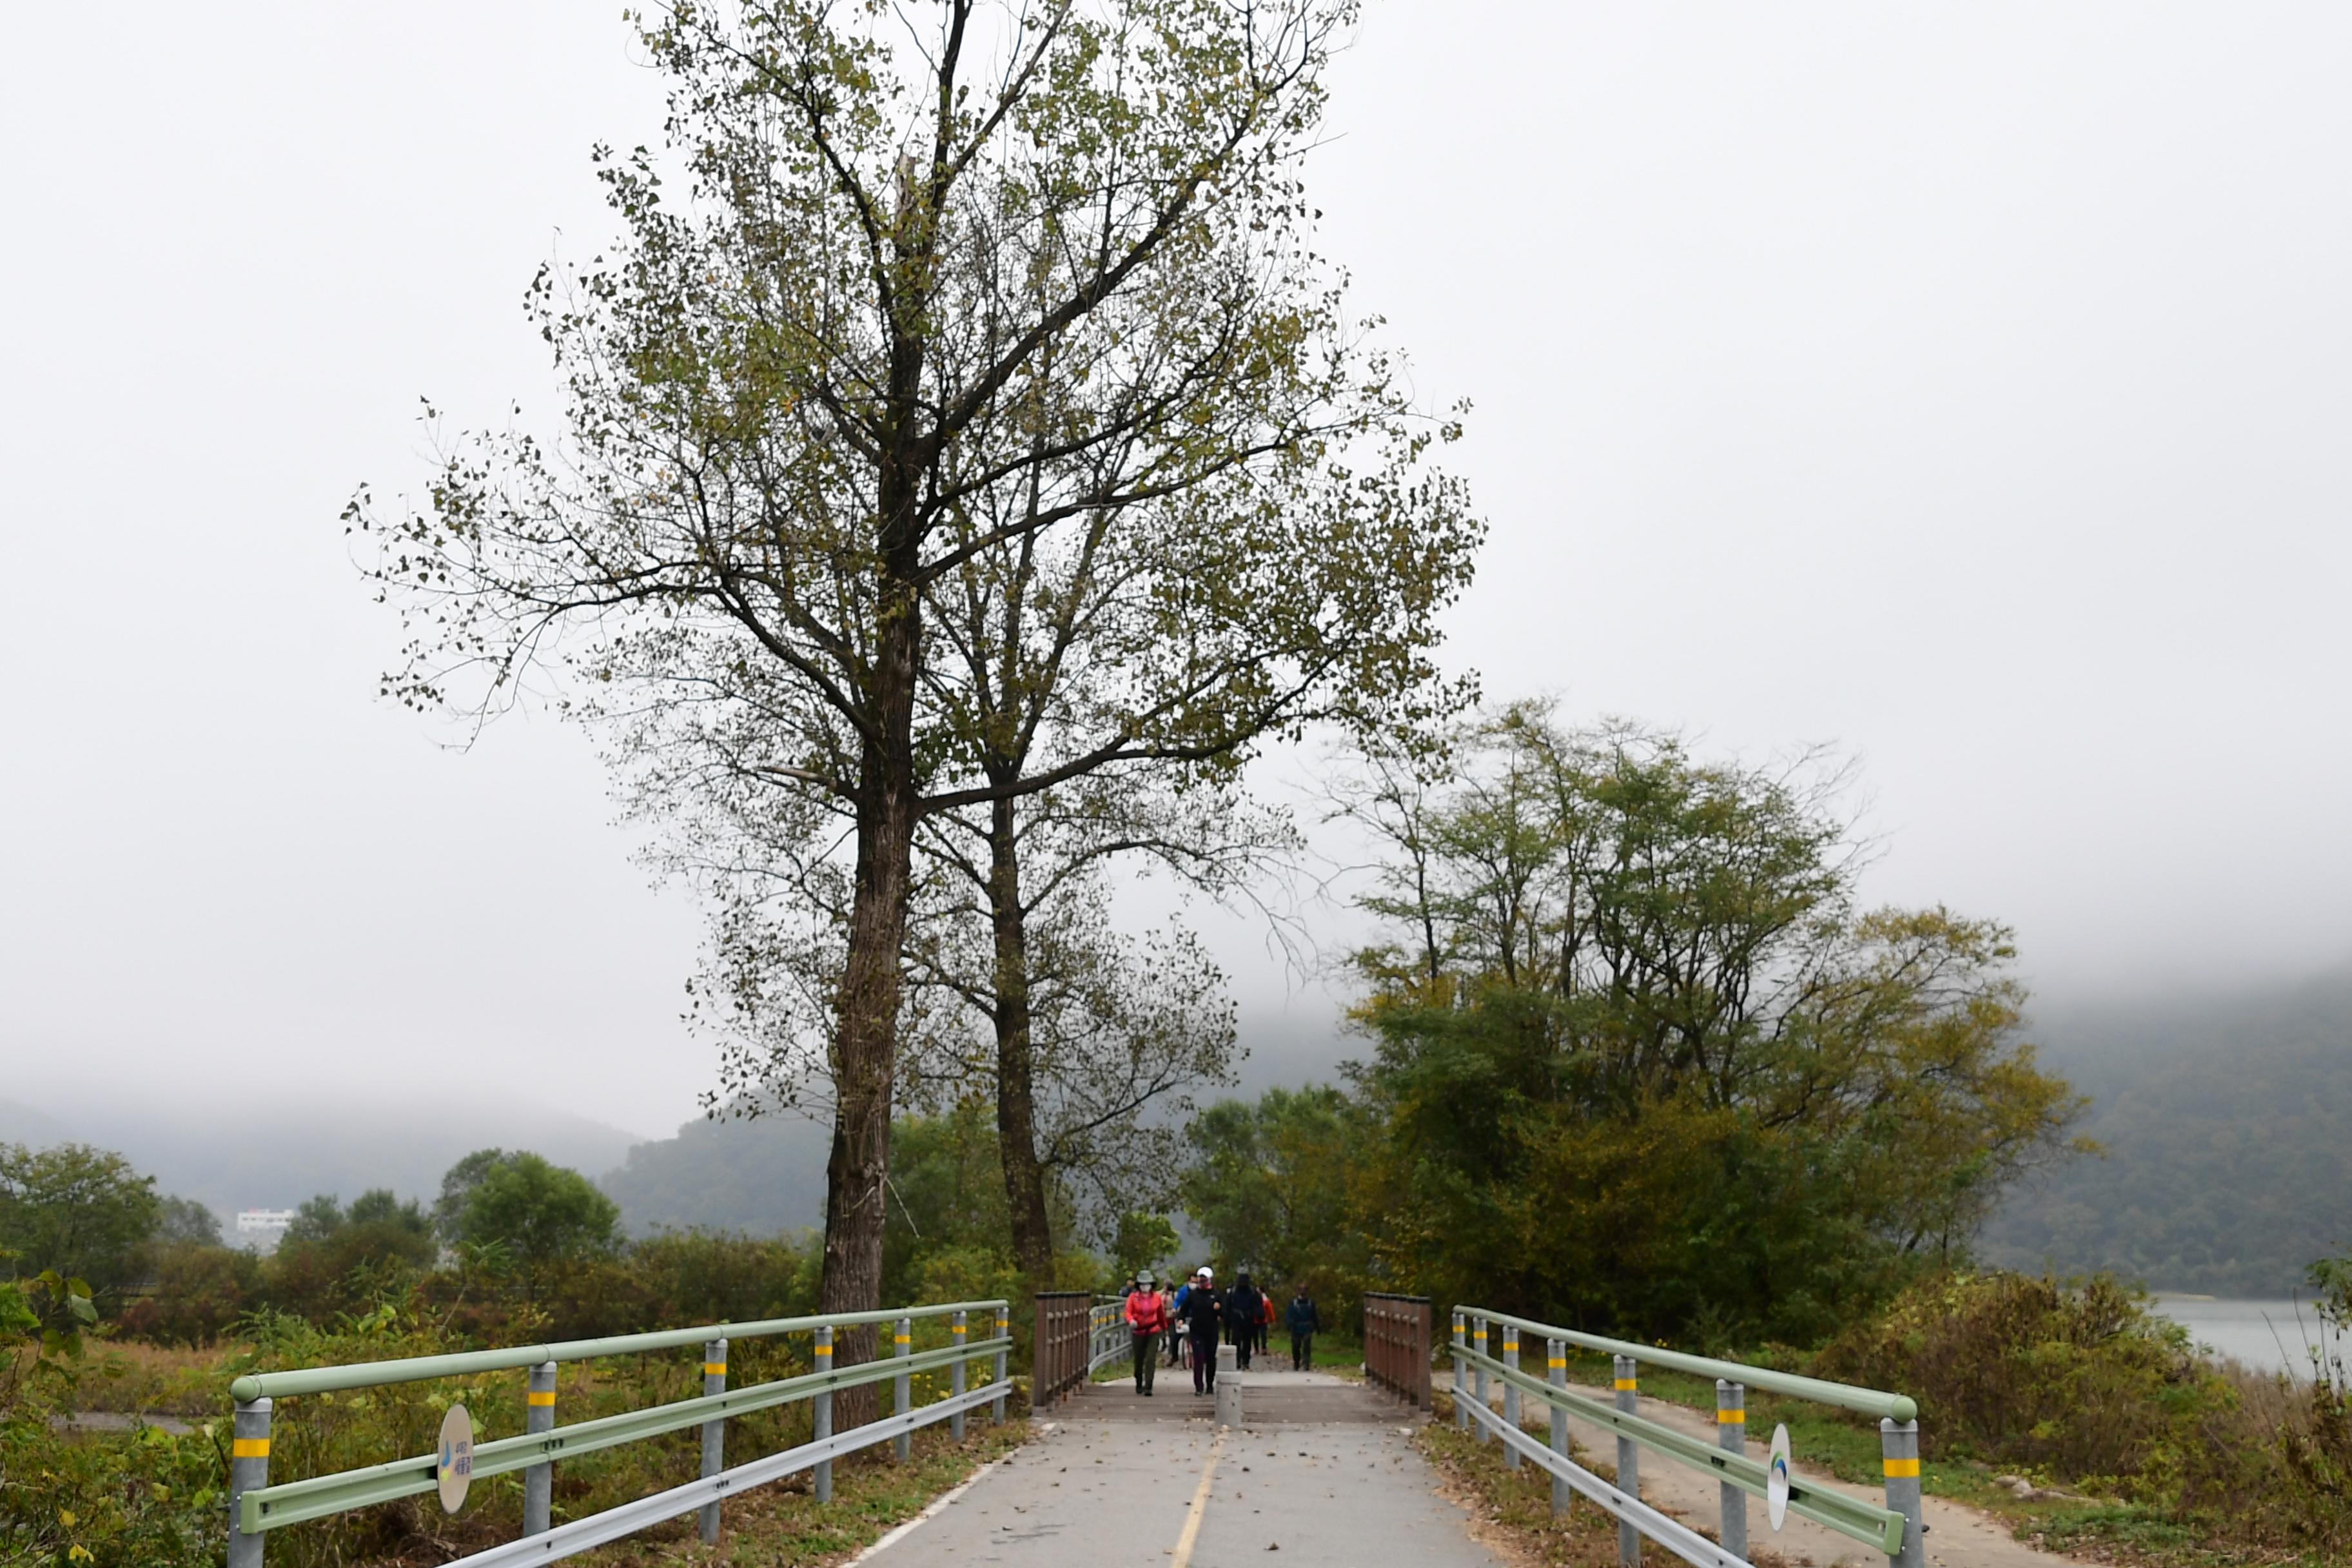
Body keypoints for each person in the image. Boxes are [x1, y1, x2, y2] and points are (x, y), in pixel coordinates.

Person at [1124, 1269, 1167, 1395]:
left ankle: (1149, 1385)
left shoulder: (1157, 1298)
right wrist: (1131, 1320)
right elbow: (1128, 1311)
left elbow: (1161, 1315)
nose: (1145, 1287)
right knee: (1139, 1359)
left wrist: (1164, 1328)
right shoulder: (1133, 1297)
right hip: (1138, 1331)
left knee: (1150, 1358)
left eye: (1147, 1284)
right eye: (1143, 1284)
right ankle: (1139, 1381)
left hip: (1153, 1331)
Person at [1182, 1267, 1224, 1395]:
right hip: (1197, 1331)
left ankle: (1210, 1384)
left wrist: (1219, 1309)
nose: (1202, 1282)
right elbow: (1183, 1309)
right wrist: (1180, 1319)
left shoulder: (1217, 1294)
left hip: (1211, 1331)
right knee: (1199, 1358)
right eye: (1201, 1279)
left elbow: (1225, 1314)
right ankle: (1199, 1387)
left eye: (1205, 1279)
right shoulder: (1193, 1294)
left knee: (1211, 1359)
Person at [1224, 1272, 1263, 1371]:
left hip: (1248, 1319)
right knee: (1235, 1340)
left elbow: (1259, 1305)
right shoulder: (1233, 1292)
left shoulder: (1253, 1292)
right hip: (1236, 1318)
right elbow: (1227, 1306)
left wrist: (1259, 1315)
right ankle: (1236, 1360)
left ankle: (1246, 1361)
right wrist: (1227, 1319)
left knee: (1247, 1341)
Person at [1286, 1285, 1320, 1371]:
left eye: (1304, 1291)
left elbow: (1314, 1316)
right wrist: (1290, 1324)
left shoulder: (1310, 1303)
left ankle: (1306, 1363)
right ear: (1298, 1292)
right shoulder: (1293, 1303)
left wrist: (1317, 1327)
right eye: (1301, 1290)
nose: (1303, 1293)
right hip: (1296, 1327)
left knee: (1307, 1345)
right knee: (1296, 1346)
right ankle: (1296, 1362)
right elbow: (1289, 1315)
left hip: (1307, 1327)